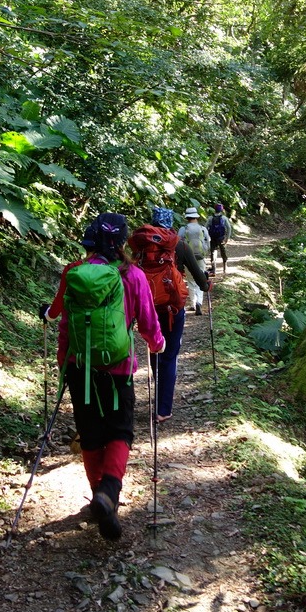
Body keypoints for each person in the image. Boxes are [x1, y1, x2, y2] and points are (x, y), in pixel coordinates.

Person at [39, 213, 165, 541]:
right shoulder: (132, 275)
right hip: (118, 369)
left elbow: (60, 318)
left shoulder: (73, 273)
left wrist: (63, 363)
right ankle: (109, 492)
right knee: (120, 431)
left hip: (80, 369)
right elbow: (149, 324)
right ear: (121, 242)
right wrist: (157, 344)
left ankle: (98, 493)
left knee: (91, 435)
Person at [129, 207, 209, 423]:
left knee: (155, 349)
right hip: (172, 308)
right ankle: (163, 409)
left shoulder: (142, 248)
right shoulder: (178, 245)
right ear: (170, 223)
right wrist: (206, 283)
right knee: (170, 356)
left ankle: (158, 391)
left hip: (147, 309)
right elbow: (199, 278)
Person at [178, 207, 210, 315]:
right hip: (200, 258)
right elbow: (208, 243)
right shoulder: (202, 229)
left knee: (191, 281)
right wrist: (204, 253)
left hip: (188, 258)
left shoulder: (183, 229)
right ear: (196, 217)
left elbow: (178, 244)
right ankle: (199, 303)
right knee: (201, 278)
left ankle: (193, 303)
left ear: (187, 217)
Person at [206, 203, 232, 274]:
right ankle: (225, 269)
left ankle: (213, 270)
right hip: (221, 238)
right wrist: (227, 238)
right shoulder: (224, 218)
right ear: (222, 210)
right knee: (223, 252)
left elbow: (205, 227)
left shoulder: (210, 218)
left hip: (213, 238)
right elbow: (229, 228)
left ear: (215, 209)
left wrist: (207, 237)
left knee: (213, 252)